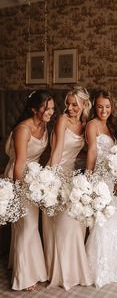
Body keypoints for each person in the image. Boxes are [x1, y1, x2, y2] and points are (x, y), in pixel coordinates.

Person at [43, 86, 93, 290]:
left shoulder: (85, 125)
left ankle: (74, 270)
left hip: (72, 176)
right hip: (57, 172)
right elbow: (57, 151)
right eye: (68, 104)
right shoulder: (62, 120)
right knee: (62, 224)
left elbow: (86, 152)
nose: (70, 108)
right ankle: (60, 273)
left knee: (77, 221)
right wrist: (50, 179)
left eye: (75, 104)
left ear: (84, 105)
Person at [4, 90, 55, 291]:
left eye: (52, 108)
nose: (51, 112)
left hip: (34, 179)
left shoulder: (45, 126)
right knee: (27, 226)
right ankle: (24, 276)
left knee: (28, 226)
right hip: (19, 176)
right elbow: (19, 164)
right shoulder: (23, 130)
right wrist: (17, 192)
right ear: (34, 109)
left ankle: (26, 268)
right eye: (46, 108)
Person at [85, 89, 117, 288]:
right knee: (100, 223)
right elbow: (92, 151)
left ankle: (111, 268)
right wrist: (89, 180)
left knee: (111, 222)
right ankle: (96, 270)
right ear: (94, 107)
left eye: (107, 106)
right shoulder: (92, 125)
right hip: (99, 179)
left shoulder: (112, 127)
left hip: (111, 179)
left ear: (112, 107)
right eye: (100, 106)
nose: (103, 110)